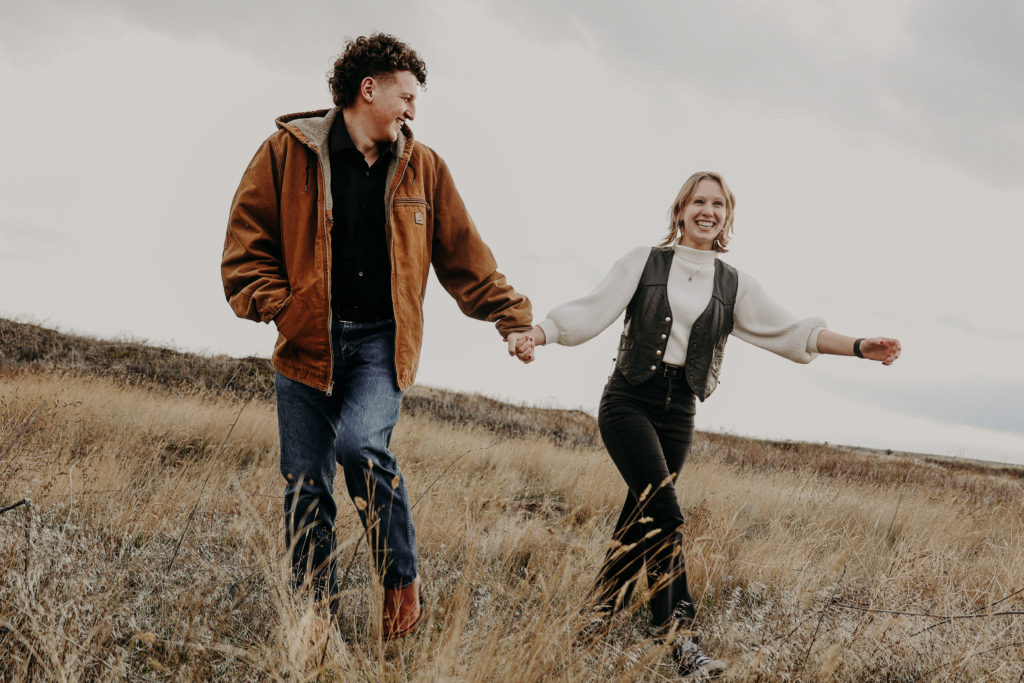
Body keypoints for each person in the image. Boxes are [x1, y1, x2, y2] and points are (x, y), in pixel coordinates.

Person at [513, 171, 900, 677]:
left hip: (680, 413)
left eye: (718, 204)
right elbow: (590, 311)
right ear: (680, 210)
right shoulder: (644, 262)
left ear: (727, 217)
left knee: (640, 519)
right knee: (665, 513)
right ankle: (679, 640)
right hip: (629, 400)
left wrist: (857, 347)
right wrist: (538, 335)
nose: (708, 211)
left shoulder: (733, 282)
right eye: (699, 201)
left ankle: (593, 620)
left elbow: (791, 331)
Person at [221, 33, 533, 640]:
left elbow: (465, 257)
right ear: (369, 90)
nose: (413, 110)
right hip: (304, 349)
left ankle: (399, 588)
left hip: (378, 347)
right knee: (306, 485)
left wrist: (511, 317)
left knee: (362, 446)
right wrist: (282, 308)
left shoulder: (425, 167)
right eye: (407, 96)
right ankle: (315, 622)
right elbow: (244, 249)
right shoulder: (286, 154)